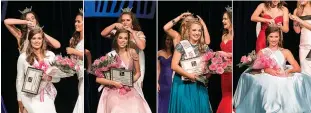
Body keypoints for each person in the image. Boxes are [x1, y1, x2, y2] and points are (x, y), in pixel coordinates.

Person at [233, 26, 311, 113]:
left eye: (276, 37)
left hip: (282, 75)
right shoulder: (263, 52)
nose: (274, 39)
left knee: (290, 82)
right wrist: (266, 70)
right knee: (270, 84)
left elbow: (297, 68)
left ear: (280, 37)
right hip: (268, 76)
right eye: (271, 36)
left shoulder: (286, 52)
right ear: (267, 37)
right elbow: (255, 68)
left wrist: (287, 71)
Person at [96, 29, 151, 113]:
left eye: (125, 38)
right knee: (116, 108)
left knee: (136, 107)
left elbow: (138, 73)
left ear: (128, 40)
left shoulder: (133, 52)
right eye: (120, 38)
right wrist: (114, 83)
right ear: (116, 39)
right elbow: (98, 79)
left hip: (130, 87)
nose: (123, 40)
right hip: (113, 89)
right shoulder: (110, 55)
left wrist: (129, 81)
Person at [168, 20, 212, 113]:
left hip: (199, 85)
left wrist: (208, 73)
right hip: (183, 84)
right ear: (188, 31)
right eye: (194, 30)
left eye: (199, 30)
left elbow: (208, 68)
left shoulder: (204, 47)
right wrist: (190, 75)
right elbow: (174, 65)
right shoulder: (182, 45)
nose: (197, 33)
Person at [16, 27, 60, 113]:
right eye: (34, 38)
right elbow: (19, 80)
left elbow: (57, 78)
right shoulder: (23, 57)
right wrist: (19, 100)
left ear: (43, 40)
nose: (37, 41)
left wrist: (48, 77)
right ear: (30, 40)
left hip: (48, 96)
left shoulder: (50, 55)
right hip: (30, 97)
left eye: (39, 38)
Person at [216, 6, 233, 113]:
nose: (223, 21)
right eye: (223, 19)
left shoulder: (236, 34)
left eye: (225, 18)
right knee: (225, 94)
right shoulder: (224, 36)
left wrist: (226, 54)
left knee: (231, 95)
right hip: (224, 71)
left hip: (232, 69)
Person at [289, 1, 311, 75]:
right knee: (305, 72)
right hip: (303, 46)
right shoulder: (297, 10)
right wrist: (295, 23)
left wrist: (299, 20)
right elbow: (297, 31)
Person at [157, 34, 174, 113]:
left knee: (171, 101)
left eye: (171, 40)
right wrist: (157, 82)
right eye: (167, 39)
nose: (169, 41)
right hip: (162, 81)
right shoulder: (159, 53)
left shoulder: (175, 54)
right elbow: (158, 69)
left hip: (172, 80)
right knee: (162, 103)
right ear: (164, 40)